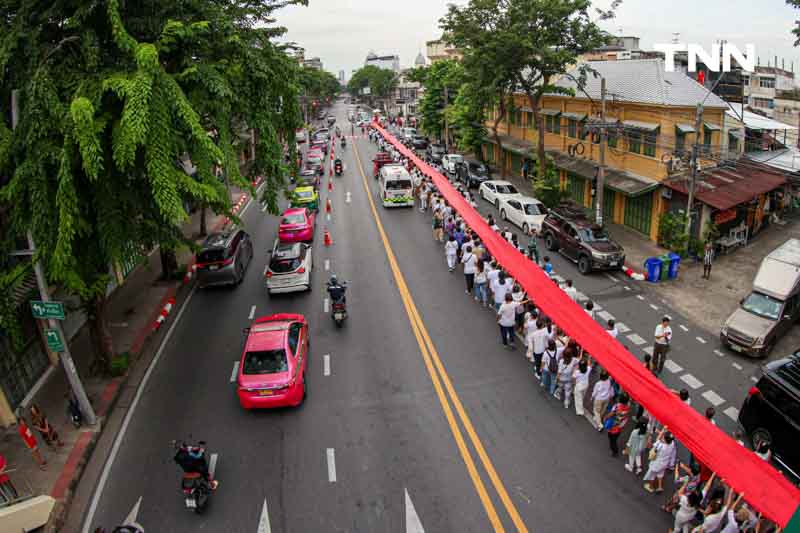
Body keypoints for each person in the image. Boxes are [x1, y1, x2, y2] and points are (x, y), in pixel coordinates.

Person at [604, 393, 630, 457]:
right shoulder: (627, 407)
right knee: (615, 436)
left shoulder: (617, 406)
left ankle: (615, 451)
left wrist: (606, 417)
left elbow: (611, 414)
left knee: (612, 439)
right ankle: (614, 446)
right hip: (620, 425)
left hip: (613, 425)